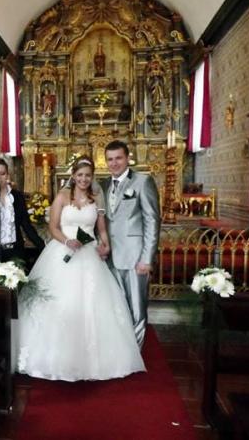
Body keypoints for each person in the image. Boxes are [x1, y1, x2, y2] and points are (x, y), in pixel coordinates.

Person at [17, 156, 145, 381]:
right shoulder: (62, 196)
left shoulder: (96, 198)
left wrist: (105, 245)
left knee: (94, 303)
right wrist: (67, 241)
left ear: (92, 177)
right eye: (80, 175)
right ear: (73, 176)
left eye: (87, 175)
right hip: (62, 251)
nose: (84, 179)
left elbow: (101, 229)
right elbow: (53, 227)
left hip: (89, 253)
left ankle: (96, 361)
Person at [103, 140, 160, 348]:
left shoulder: (143, 182)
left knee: (137, 309)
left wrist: (147, 258)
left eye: (118, 158)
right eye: (110, 159)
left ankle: (136, 354)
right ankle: (121, 350)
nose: (114, 163)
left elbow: (152, 220)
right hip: (110, 258)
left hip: (135, 257)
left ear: (128, 158)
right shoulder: (103, 185)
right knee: (117, 307)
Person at [0, 158, 45, 282]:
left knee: (15, 289)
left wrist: (43, 246)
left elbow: (27, 226)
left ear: (7, 175)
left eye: (2, 173)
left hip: (15, 253)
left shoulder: (17, 197)